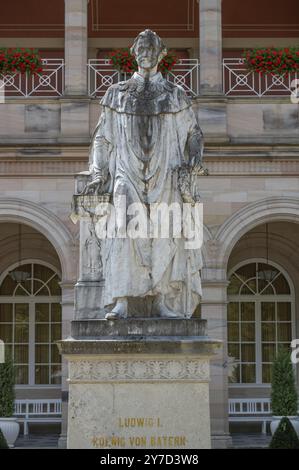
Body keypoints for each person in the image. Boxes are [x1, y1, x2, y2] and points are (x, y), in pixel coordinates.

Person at [85, 29, 204, 320]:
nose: (146, 53)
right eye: (141, 48)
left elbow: (193, 134)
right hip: (127, 171)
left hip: (166, 172)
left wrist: (193, 160)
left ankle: (162, 299)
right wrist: (99, 174)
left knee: (165, 233)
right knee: (124, 228)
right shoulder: (117, 94)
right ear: (133, 53)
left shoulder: (175, 95)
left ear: (161, 54)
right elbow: (103, 138)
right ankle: (123, 299)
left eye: (151, 49)